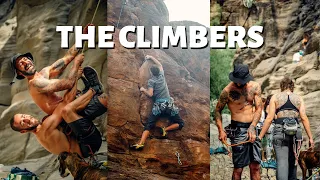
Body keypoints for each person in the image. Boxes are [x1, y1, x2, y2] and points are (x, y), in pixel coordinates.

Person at [10, 67, 107, 158]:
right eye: (23, 122)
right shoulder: (45, 129)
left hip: (83, 138)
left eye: (24, 116)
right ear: (24, 131)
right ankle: (94, 89)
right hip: (88, 146)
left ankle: (89, 93)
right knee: (67, 111)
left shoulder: (43, 126)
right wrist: (75, 77)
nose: (27, 119)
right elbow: (66, 102)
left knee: (69, 115)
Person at [9, 24, 102, 115]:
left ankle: (91, 90)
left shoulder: (44, 72)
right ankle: (94, 89)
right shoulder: (34, 83)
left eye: (25, 59)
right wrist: (76, 65)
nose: (25, 62)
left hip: (70, 107)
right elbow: (68, 83)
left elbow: (67, 57)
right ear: (19, 73)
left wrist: (83, 36)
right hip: (66, 116)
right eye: (20, 64)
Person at [258, 77, 314, 180]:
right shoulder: (298, 98)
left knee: (282, 162)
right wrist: (310, 138)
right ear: (292, 87)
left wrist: (260, 136)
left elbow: (269, 118)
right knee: (293, 161)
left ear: (281, 86)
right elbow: (304, 118)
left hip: (280, 130)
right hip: (296, 132)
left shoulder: (275, 97)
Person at [215, 63, 262, 180]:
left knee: (255, 166)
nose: (239, 83)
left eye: (242, 80)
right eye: (237, 80)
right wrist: (221, 130)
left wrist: (252, 127)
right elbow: (217, 111)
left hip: (253, 127)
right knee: (238, 168)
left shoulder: (255, 87)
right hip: (238, 129)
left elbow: (259, 108)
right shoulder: (227, 91)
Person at [130, 55, 184, 150]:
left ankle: (141, 143)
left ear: (151, 73)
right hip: (169, 105)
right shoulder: (162, 75)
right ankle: (165, 129)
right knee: (180, 123)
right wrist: (150, 57)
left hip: (159, 106)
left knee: (149, 125)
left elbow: (150, 94)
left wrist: (143, 89)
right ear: (159, 71)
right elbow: (159, 64)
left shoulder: (152, 81)